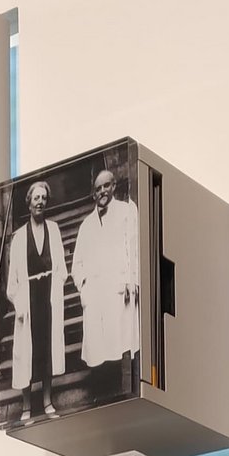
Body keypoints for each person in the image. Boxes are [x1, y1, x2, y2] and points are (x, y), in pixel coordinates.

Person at [72, 167, 140, 399]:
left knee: (119, 343)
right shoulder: (86, 225)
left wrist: (132, 281)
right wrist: (85, 288)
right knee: (98, 350)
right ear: (93, 193)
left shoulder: (126, 211)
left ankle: (122, 396)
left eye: (106, 186)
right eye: (98, 188)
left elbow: (134, 249)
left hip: (118, 290)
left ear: (114, 186)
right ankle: (102, 397)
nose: (102, 191)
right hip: (95, 295)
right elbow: (77, 264)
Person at [4, 180, 68, 423]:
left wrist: (57, 286)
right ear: (29, 203)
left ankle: (48, 401)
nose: (40, 201)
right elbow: (13, 282)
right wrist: (19, 303)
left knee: (47, 350)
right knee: (26, 353)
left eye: (43, 198)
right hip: (28, 300)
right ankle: (27, 405)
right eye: (36, 198)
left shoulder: (54, 229)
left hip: (49, 297)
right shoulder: (19, 237)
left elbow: (61, 267)